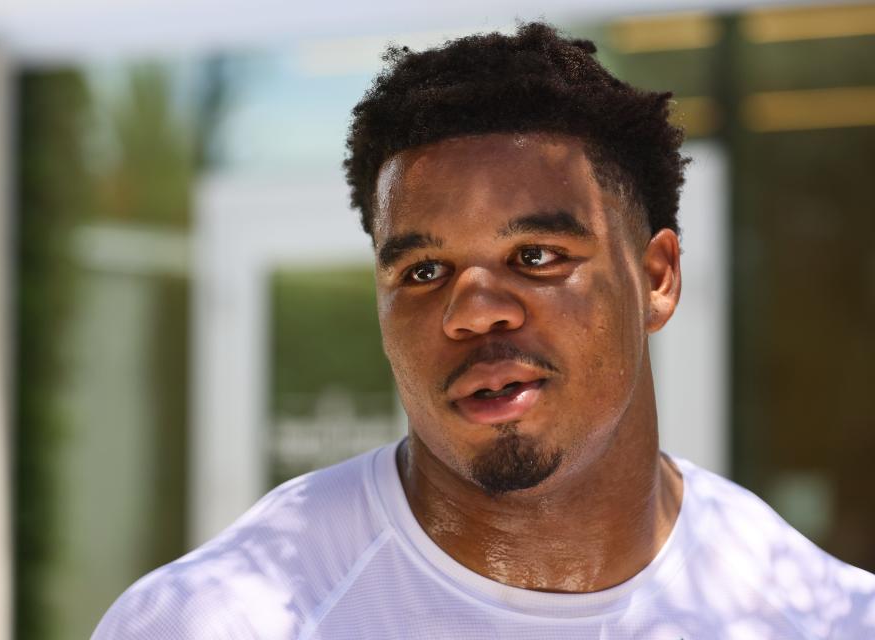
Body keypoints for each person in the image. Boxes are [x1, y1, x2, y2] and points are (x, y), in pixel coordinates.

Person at [92, 22, 875, 639]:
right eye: (422, 272)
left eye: (535, 256)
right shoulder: (227, 620)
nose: (472, 312)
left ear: (657, 280)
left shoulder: (820, 616)